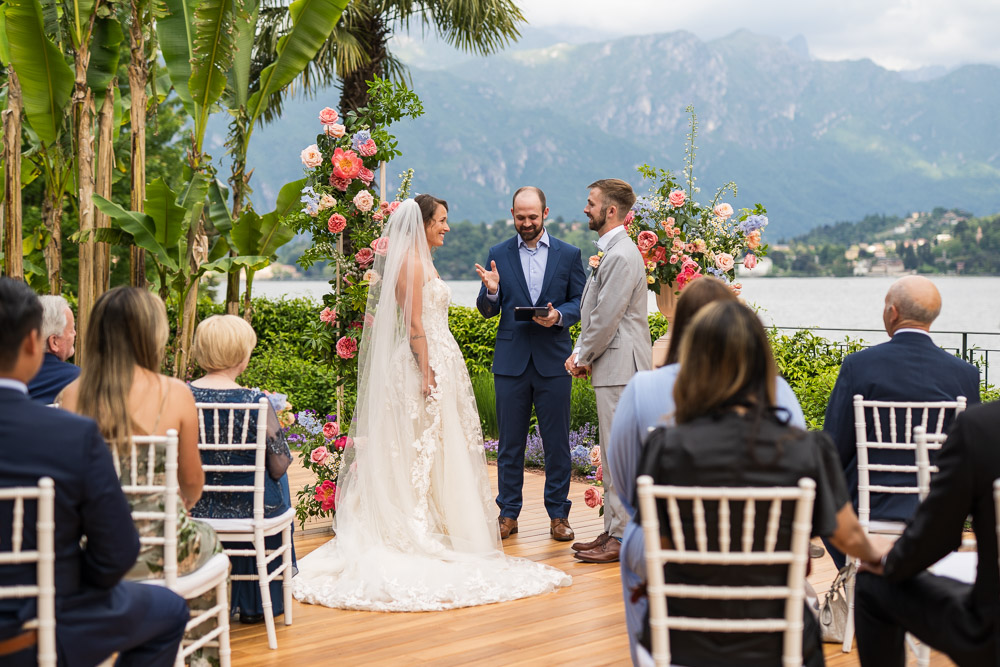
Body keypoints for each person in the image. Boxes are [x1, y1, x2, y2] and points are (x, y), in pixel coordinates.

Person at [293, 196, 570, 612]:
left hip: (441, 360)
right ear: (422, 224)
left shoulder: (424, 261)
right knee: (417, 447)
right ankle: (413, 524)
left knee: (437, 446)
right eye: (441, 220)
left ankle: (437, 521)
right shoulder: (409, 263)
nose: (447, 227)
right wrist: (425, 371)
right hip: (422, 368)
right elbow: (414, 326)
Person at [636, 300, 883, 666]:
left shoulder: (664, 448)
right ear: (762, 363)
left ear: (694, 365)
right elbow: (847, 537)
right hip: (776, 634)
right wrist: (880, 558)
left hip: (685, 634)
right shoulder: (806, 449)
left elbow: (661, 544)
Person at [608, 276, 808, 663]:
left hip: (665, 543)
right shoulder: (777, 389)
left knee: (639, 537)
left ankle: (655, 652)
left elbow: (628, 483)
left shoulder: (643, 388)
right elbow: (796, 475)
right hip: (760, 542)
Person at [0, 277, 189, 667]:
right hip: (34, 630)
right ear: (34, 342)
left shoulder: (73, 403)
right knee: (169, 610)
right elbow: (116, 554)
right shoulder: (71, 434)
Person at [58, 287, 218, 580]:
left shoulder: (71, 395)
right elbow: (192, 484)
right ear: (152, 334)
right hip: (163, 550)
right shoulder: (176, 393)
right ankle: (180, 611)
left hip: (93, 550)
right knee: (211, 541)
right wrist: (179, 503)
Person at [822, 275, 980, 567]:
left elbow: (833, 448)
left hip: (869, 509)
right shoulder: (965, 374)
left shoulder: (859, 366)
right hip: (939, 511)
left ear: (892, 312)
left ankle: (859, 577)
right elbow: (969, 458)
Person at [474, 186, 587, 542]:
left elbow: (581, 302)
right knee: (509, 444)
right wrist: (492, 290)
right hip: (511, 363)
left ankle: (559, 515)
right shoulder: (498, 253)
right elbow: (487, 309)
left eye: (532, 217)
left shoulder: (569, 254)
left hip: (554, 361)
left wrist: (558, 316)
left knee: (557, 444)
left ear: (545, 213)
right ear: (512, 214)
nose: (526, 223)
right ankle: (508, 514)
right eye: (520, 217)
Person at [855, 400, 1000, 666]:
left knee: (871, 584)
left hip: (993, 633)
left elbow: (938, 536)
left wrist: (889, 560)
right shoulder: (968, 385)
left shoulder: (982, 426)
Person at [565, 178, 652, 564]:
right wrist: (583, 353)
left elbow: (606, 318)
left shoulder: (620, 256)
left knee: (619, 454)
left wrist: (582, 356)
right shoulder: (615, 252)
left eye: (591, 203)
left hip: (621, 367)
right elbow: (597, 313)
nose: (586, 209)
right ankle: (613, 530)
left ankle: (621, 537)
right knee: (615, 453)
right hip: (615, 364)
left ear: (610, 210)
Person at [188, 314, 294, 624]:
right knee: (276, 478)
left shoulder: (182, 395)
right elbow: (280, 464)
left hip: (197, 505)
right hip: (250, 509)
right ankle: (255, 601)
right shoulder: (255, 400)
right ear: (240, 357)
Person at [26, 295, 79, 404]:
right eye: (71, 329)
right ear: (54, 342)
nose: (75, 333)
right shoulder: (77, 380)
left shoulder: (12, 376)